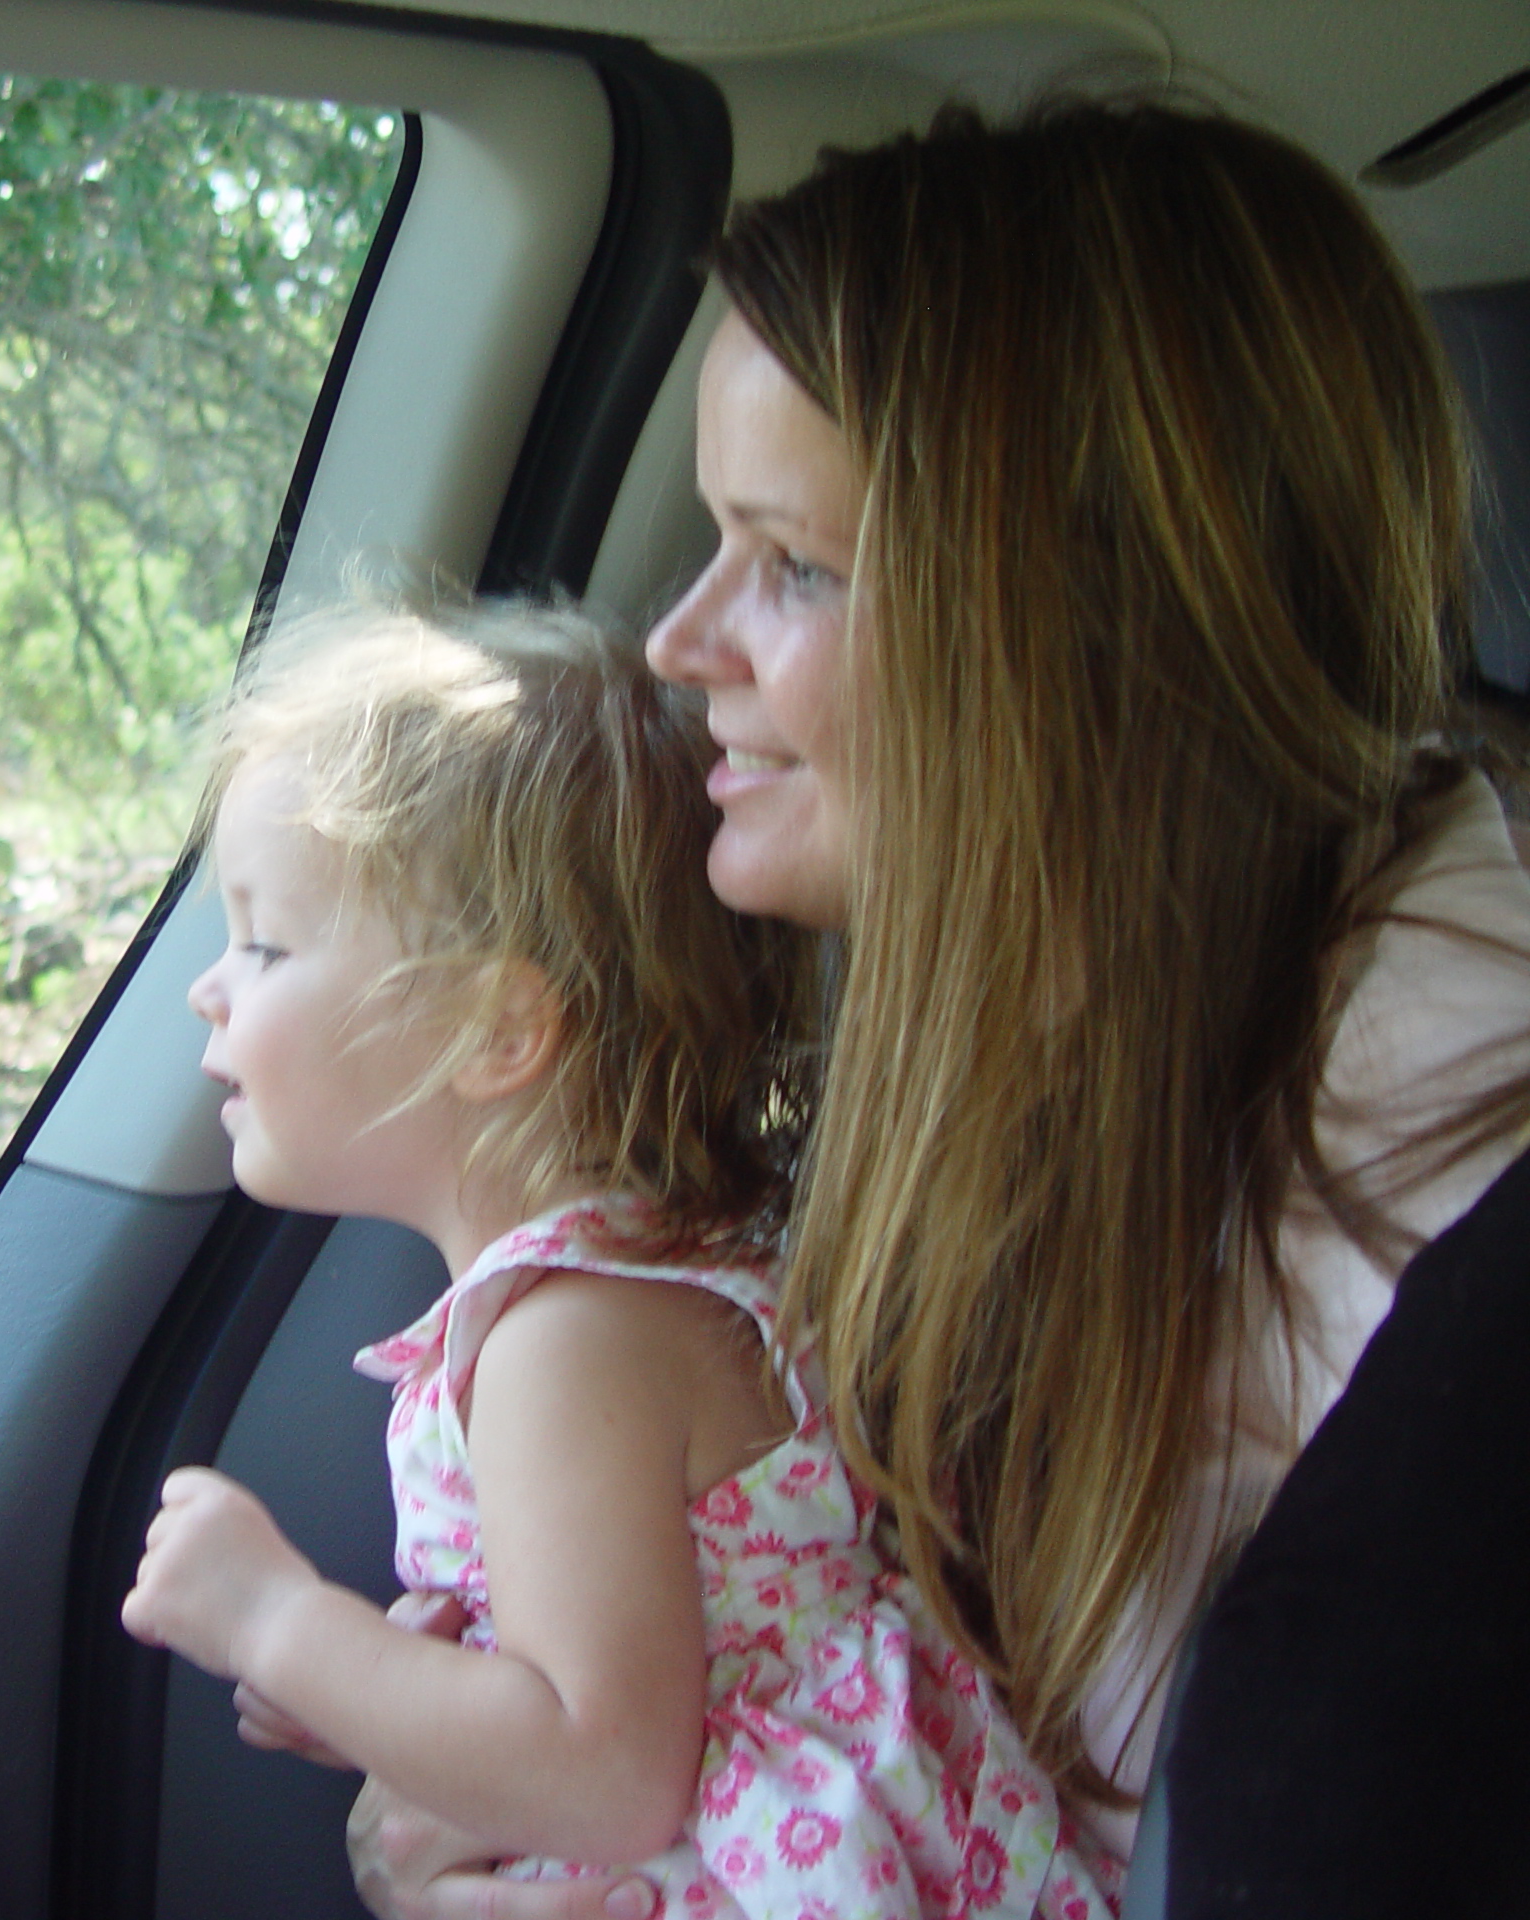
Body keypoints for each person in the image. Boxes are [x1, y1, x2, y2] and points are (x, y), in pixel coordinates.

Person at [348, 98, 1530, 1920]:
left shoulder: (1450, 1333)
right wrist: (494, 1811)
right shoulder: (1006, 1057)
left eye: (795, 563)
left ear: (1094, 630)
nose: (679, 642)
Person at [123, 603, 1121, 1917]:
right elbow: (617, 1676)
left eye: (263, 941)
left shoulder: (569, 1344)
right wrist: (382, 1690)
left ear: (492, 1032)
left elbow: (603, 1772)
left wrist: (279, 1624)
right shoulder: (635, 1282)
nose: (211, 987)